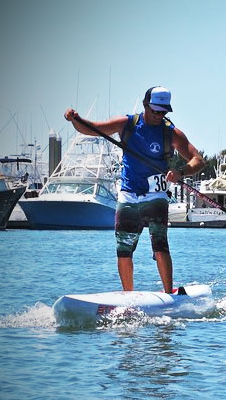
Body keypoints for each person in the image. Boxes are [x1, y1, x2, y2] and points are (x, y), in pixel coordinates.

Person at [64, 86, 205, 293]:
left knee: (160, 244)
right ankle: (128, 296)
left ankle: (168, 293)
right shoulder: (127, 124)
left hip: (156, 195)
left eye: (163, 111)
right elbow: (91, 128)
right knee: (124, 248)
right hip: (128, 194)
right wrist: (75, 119)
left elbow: (199, 160)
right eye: (156, 110)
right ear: (145, 105)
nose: (159, 115)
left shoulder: (170, 132)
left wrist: (180, 172)